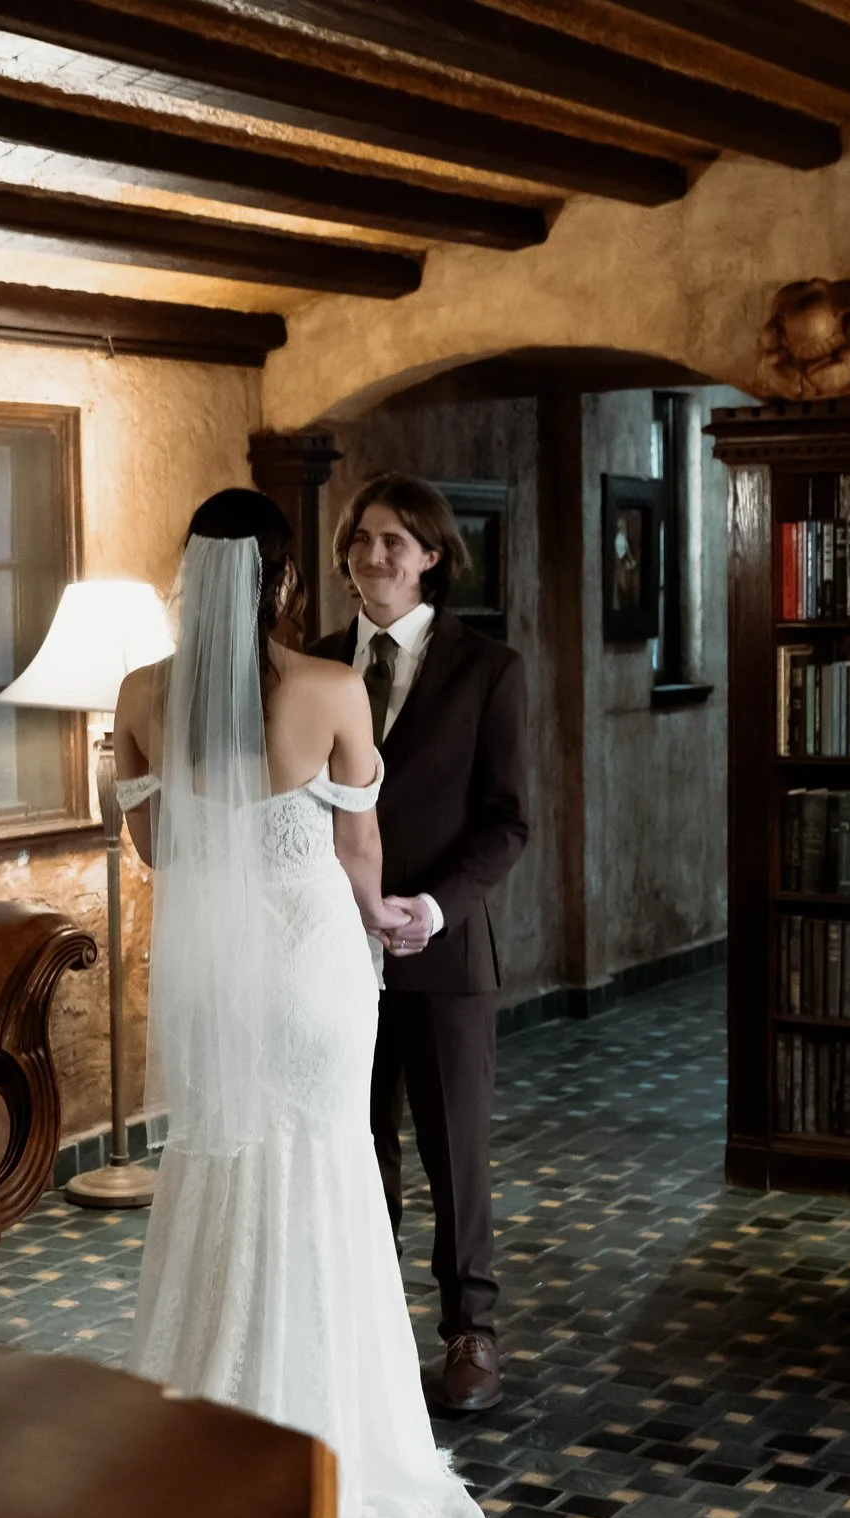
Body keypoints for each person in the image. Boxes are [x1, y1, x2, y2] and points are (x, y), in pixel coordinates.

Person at [111, 488, 495, 1518]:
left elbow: (154, 845)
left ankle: (211, 1428)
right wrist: (379, 919)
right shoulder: (326, 688)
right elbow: (357, 846)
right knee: (327, 1173)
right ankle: (332, 1431)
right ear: (284, 580)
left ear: (192, 575)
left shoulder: (141, 694)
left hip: (217, 974)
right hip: (315, 966)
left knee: (223, 1163)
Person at [310, 474, 529, 1415]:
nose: (374, 557)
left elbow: (508, 821)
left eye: (396, 541)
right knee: (355, 1150)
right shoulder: (310, 666)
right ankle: (369, 1328)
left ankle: (470, 1331)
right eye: (361, 539)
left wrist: (433, 906)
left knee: (454, 1152)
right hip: (327, 952)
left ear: (434, 554)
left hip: (442, 951)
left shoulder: (489, 669)